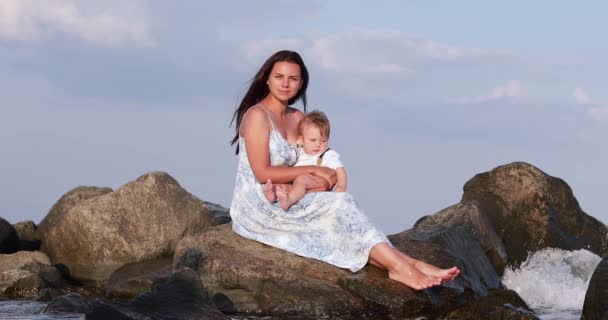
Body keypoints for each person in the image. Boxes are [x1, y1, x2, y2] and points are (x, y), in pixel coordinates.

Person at [229, 50, 459, 290]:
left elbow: (317, 160)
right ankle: (401, 267)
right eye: (279, 76)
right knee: (340, 209)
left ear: (301, 83)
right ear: (267, 78)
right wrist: (311, 171)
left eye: (293, 79)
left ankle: (410, 264)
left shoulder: (298, 117)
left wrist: (323, 178)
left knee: (343, 208)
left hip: (291, 193)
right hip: (260, 202)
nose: (285, 84)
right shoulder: (257, 116)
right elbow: (261, 173)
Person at [262, 110, 347, 210]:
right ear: (301, 140)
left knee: (301, 180)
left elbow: (340, 171)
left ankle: (288, 200)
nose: (318, 144)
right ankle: (273, 195)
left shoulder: (327, 154)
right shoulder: (300, 153)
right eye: (313, 140)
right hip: (299, 186)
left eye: (323, 140)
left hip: (315, 183)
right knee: (284, 185)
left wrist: (341, 186)